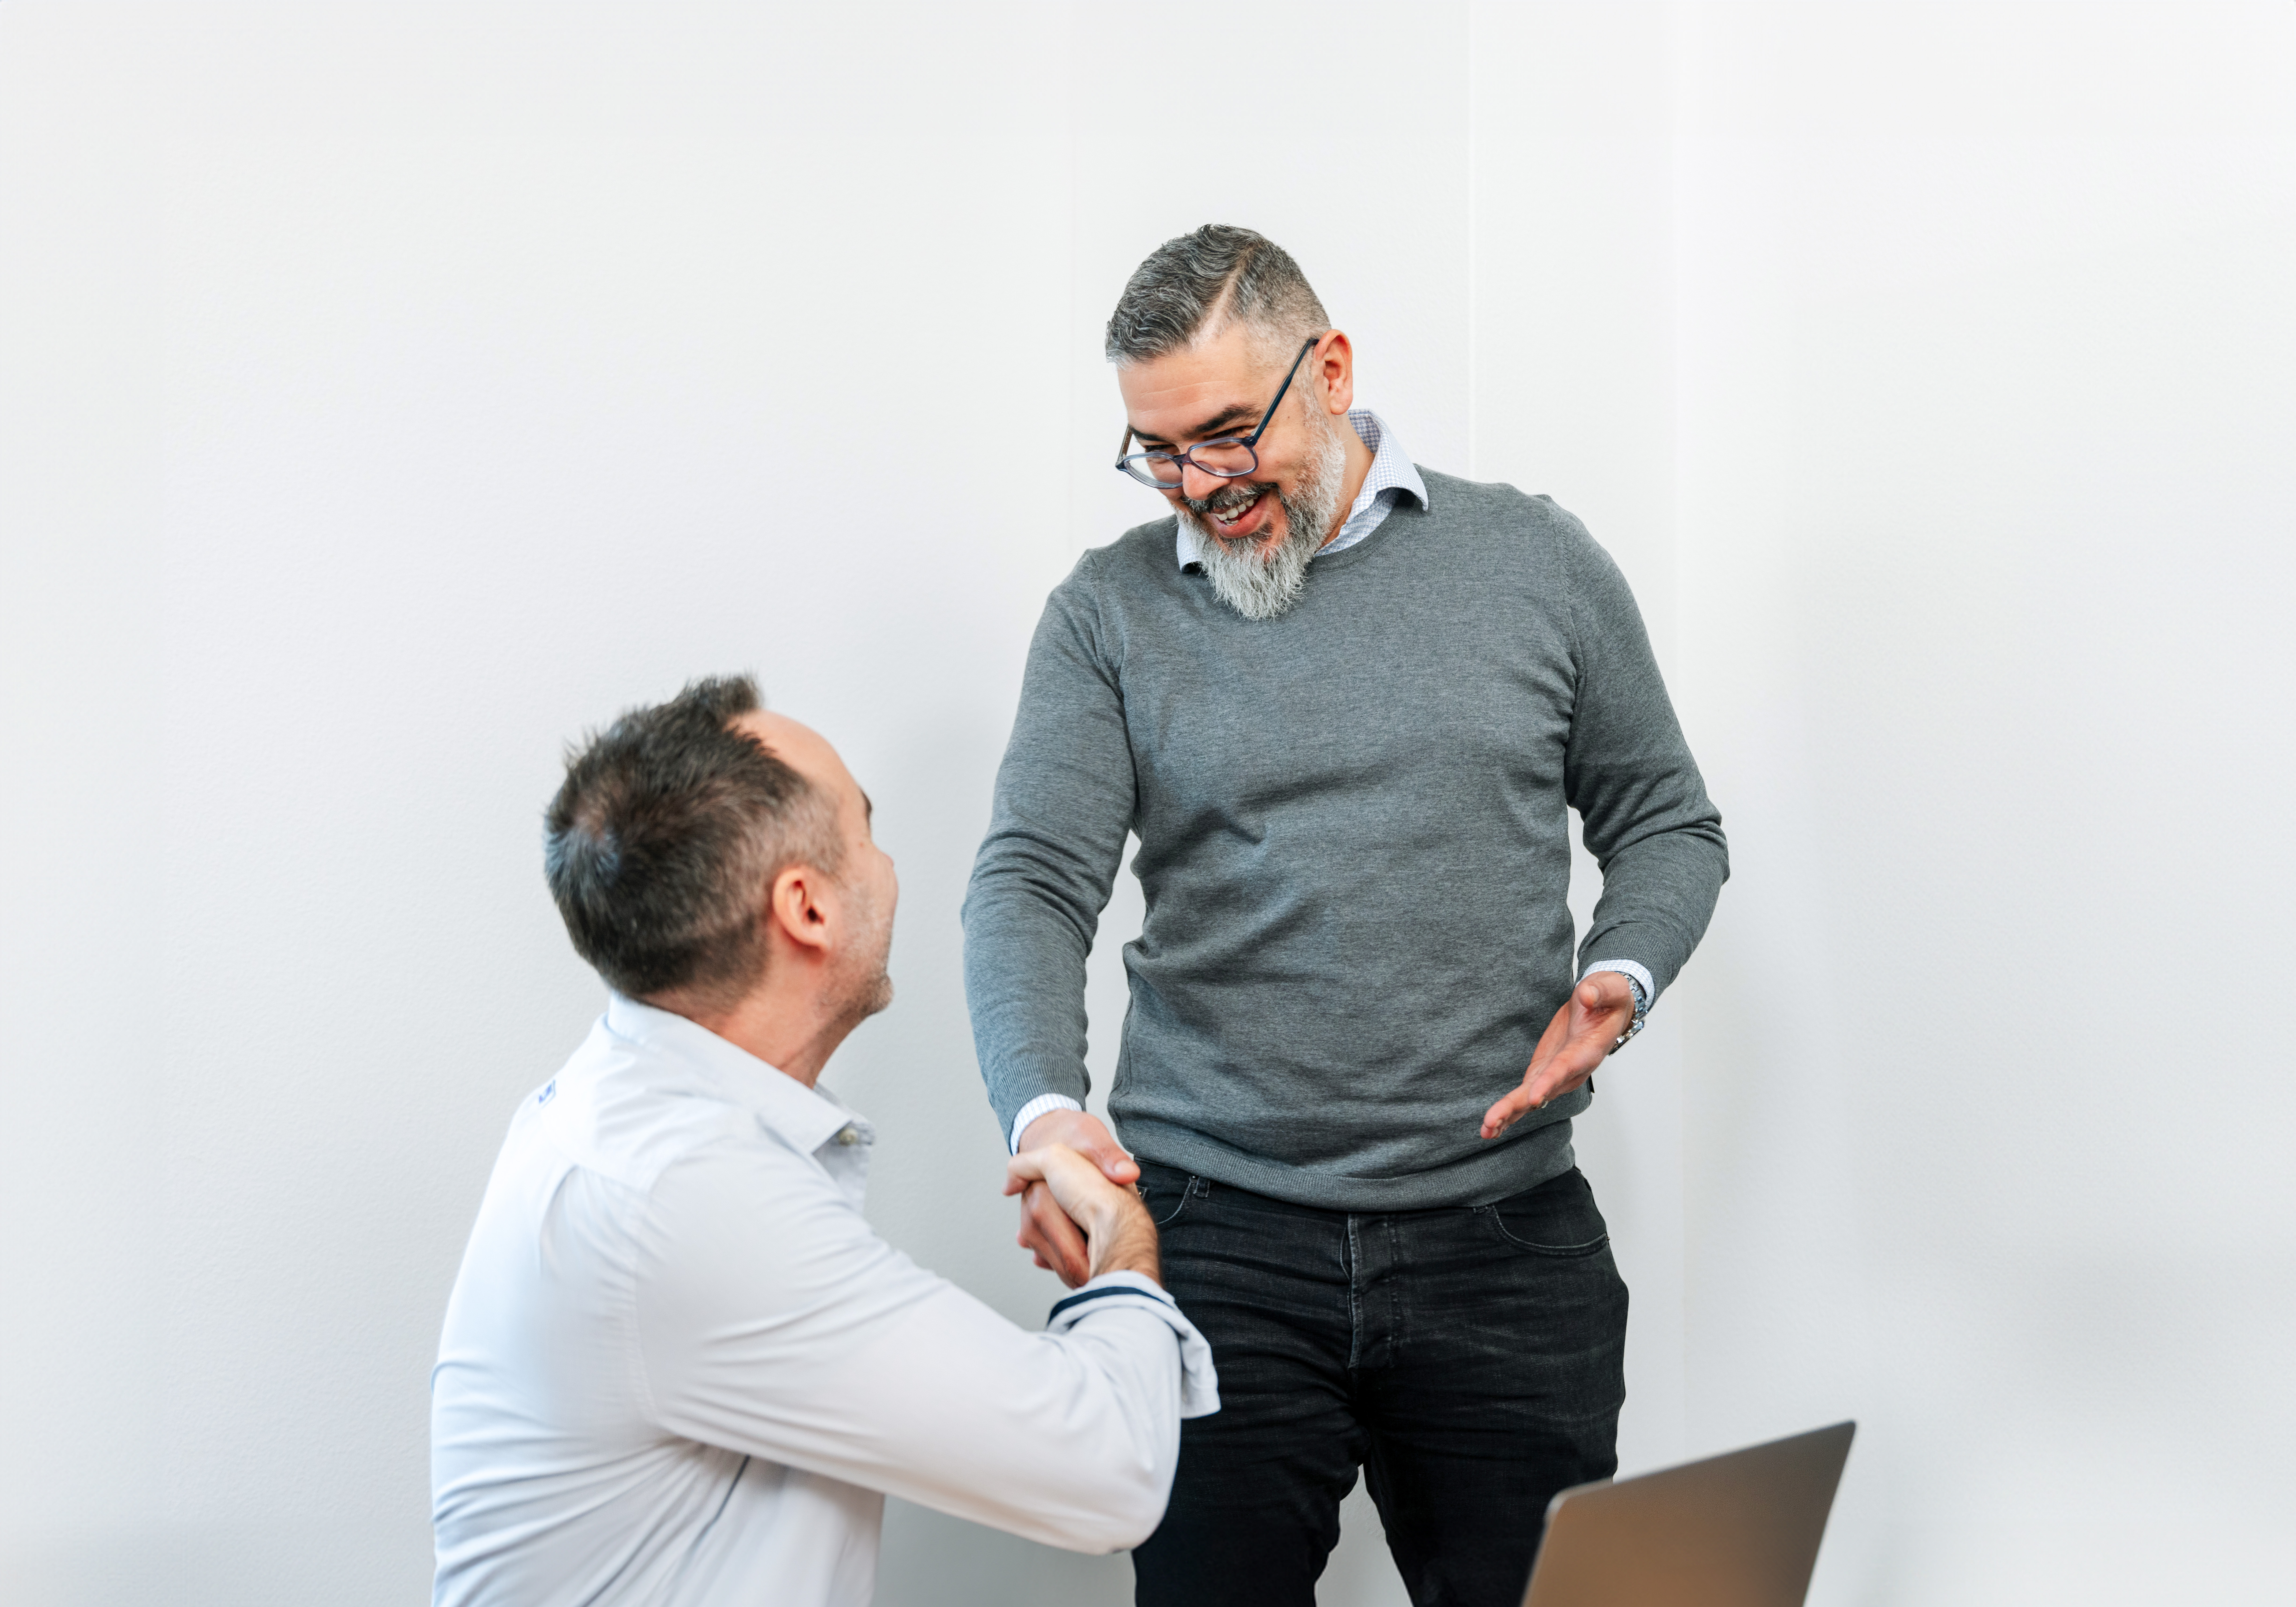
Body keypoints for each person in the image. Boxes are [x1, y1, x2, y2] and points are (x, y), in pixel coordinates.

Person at [962, 226, 1728, 1607]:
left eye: (1224, 433)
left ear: (1331, 369)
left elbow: (1667, 819)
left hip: (1504, 1232)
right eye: (1158, 451)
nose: (1198, 485)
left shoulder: (1537, 563)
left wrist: (1624, 971)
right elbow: (1029, 880)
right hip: (1212, 1236)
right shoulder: (1106, 616)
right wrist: (1042, 1108)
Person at [430, 675, 1216, 1607]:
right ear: (806, 907)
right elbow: (1108, 1470)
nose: (888, 867)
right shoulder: (687, 1198)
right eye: (867, 830)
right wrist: (1123, 1236)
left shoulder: (631, 1119)